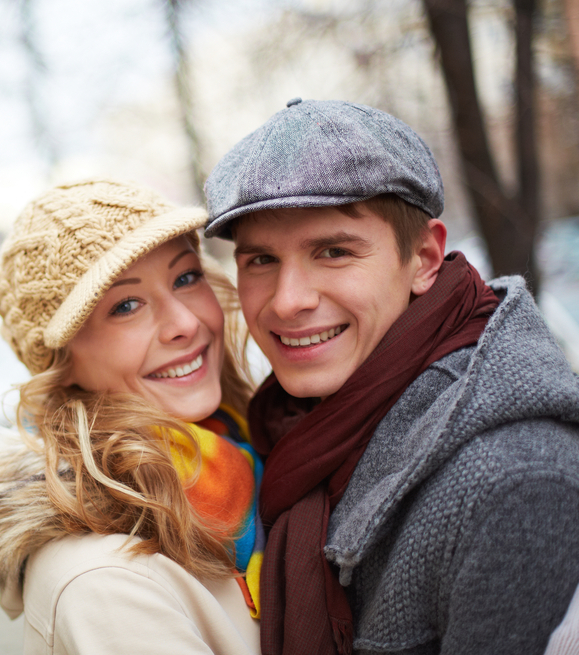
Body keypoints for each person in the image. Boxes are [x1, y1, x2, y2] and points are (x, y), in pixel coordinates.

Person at [204, 98, 579, 655]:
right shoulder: (297, 426)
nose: (287, 302)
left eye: (333, 251)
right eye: (261, 260)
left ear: (425, 258)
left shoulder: (510, 480)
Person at [0, 179, 263, 654]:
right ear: (62, 364)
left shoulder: (256, 449)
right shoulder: (102, 579)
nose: (185, 323)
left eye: (186, 277)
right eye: (126, 306)